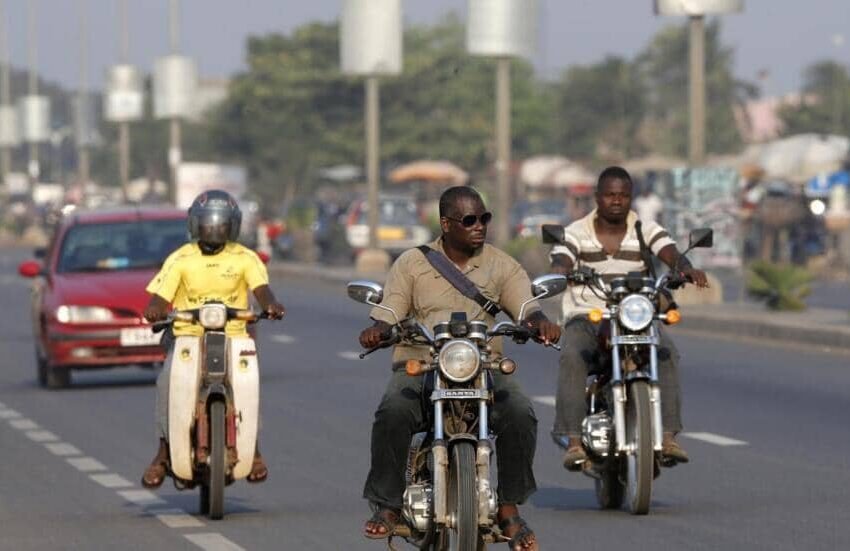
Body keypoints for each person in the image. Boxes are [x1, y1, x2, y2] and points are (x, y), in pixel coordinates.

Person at [359, 186, 561, 551]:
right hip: (422, 363)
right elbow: (391, 308)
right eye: (469, 220)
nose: (479, 226)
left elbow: (526, 304)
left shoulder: (500, 263)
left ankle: (509, 509)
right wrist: (380, 329)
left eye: (484, 218)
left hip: (484, 365)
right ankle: (387, 505)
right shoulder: (412, 263)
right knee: (392, 411)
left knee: (520, 412)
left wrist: (538, 321)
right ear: (446, 224)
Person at [548, 166, 708, 471]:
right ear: (597, 197)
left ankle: (669, 437)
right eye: (610, 195)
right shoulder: (576, 232)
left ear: (631, 198)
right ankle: (573, 442)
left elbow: (670, 252)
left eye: (623, 195)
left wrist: (685, 268)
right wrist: (561, 270)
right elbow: (562, 257)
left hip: (636, 313)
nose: (616, 201)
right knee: (571, 355)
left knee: (667, 353)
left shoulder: (645, 229)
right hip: (588, 315)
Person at [141, 190, 286, 489]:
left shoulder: (246, 257)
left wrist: (271, 304)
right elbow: (160, 296)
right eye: (207, 224)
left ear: (232, 226)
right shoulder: (180, 258)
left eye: (220, 224)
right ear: (195, 225)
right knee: (167, 382)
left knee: (247, 385)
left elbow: (261, 290)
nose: (214, 230)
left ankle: (253, 449)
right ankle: (163, 452)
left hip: (234, 335)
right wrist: (155, 309)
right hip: (187, 335)